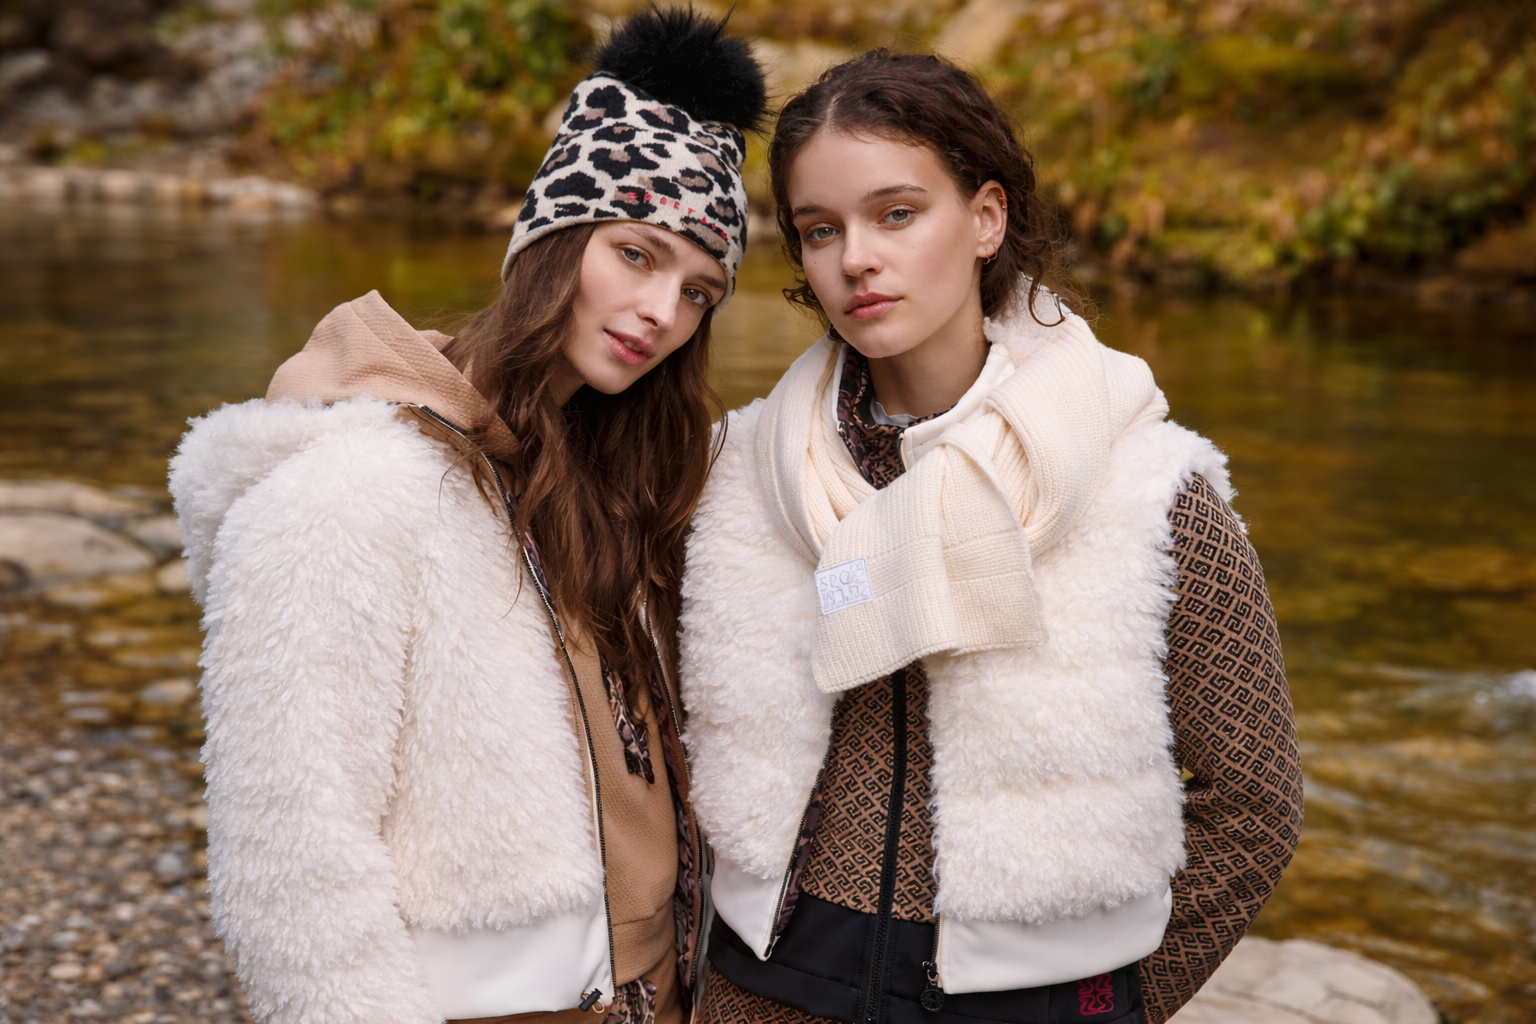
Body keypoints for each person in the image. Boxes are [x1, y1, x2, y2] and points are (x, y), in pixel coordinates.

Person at [678, 51, 1303, 1024]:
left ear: (985, 217)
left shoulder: (1148, 487)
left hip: (1028, 999)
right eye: (819, 229)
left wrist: (1115, 1006)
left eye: (896, 213)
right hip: (767, 988)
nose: (856, 259)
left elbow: (1255, 804)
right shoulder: (738, 471)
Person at [167, 10, 765, 1024]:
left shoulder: (612, 487)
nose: (663, 310)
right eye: (634, 252)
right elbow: (294, 861)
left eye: (700, 290)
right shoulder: (347, 485)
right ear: (551, 236)